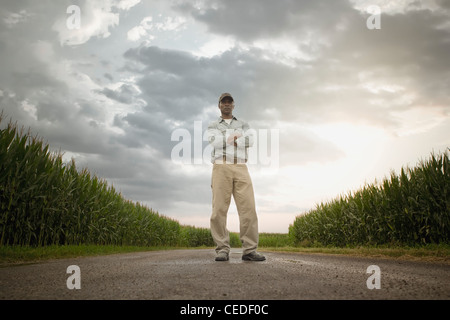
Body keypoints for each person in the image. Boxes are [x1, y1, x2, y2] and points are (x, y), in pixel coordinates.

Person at [207, 93, 266, 262]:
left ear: (233, 105)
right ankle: (222, 249)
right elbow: (215, 142)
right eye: (223, 102)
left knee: (248, 208)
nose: (226, 104)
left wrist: (228, 139)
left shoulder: (243, 124)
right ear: (219, 105)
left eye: (229, 102)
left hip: (241, 166)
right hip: (221, 166)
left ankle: (249, 250)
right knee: (219, 209)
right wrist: (236, 137)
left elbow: (251, 140)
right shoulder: (212, 125)